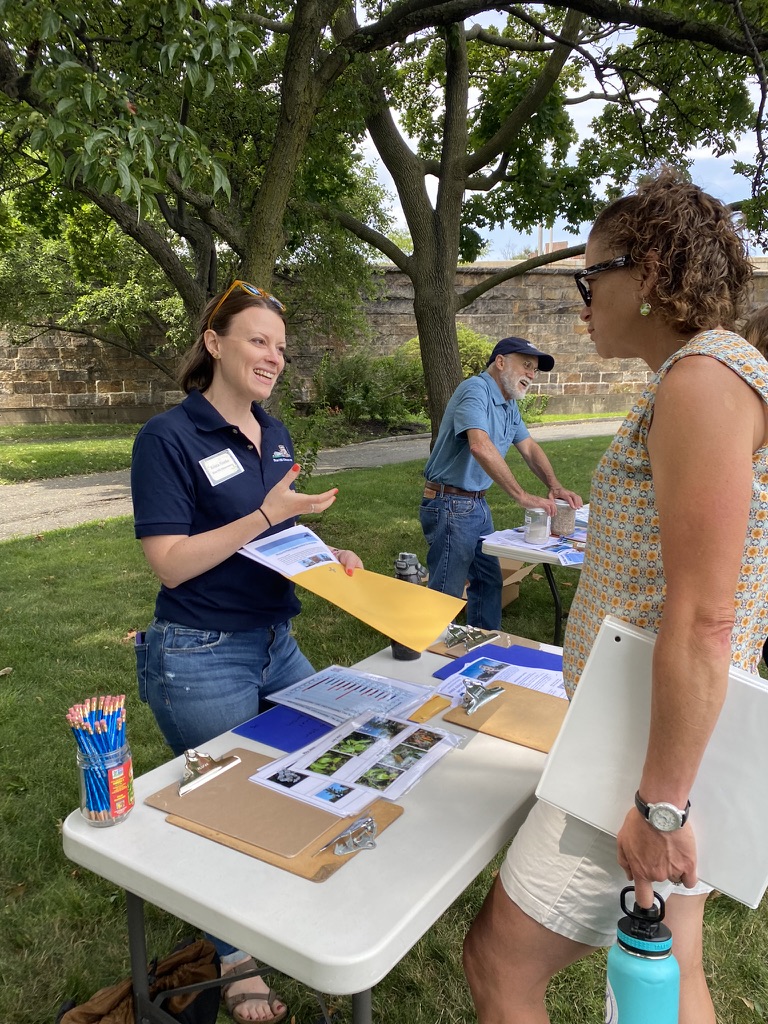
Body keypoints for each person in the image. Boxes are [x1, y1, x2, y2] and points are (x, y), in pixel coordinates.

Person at [463, 169, 768, 1024]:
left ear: (655, 268)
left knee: (497, 965)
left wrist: (658, 805)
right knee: (669, 973)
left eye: (592, 274)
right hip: (665, 736)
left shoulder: (703, 378)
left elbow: (705, 615)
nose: (582, 296)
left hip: (640, 753)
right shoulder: (708, 373)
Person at [131, 279, 363, 1024]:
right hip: (200, 652)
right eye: (259, 340)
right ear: (215, 342)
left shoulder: (276, 431)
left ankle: (285, 900)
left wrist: (327, 553)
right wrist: (267, 511)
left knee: (325, 756)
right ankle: (234, 959)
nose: (274, 357)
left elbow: (277, 535)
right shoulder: (168, 438)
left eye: (282, 348)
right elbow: (169, 561)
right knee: (227, 809)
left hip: (275, 642)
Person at [419, 335, 582, 630]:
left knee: (489, 581)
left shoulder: (508, 404)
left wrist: (555, 485)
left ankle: (483, 646)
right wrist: (522, 496)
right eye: (527, 366)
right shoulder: (475, 390)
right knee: (446, 593)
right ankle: (428, 658)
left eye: (535, 370)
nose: (531, 375)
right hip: (450, 504)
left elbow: (529, 448)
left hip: (475, 505)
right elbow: (479, 446)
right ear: (501, 362)